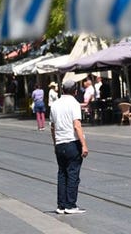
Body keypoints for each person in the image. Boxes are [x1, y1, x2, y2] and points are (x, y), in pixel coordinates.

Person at [50, 80, 89, 214]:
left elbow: (52, 127)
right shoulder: (74, 103)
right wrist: (84, 145)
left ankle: (61, 205)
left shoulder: (54, 105)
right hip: (72, 142)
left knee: (62, 173)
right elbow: (77, 125)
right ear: (75, 91)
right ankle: (70, 205)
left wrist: (55, 143)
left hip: (60, 144)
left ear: (62, 90)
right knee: (73, 174)